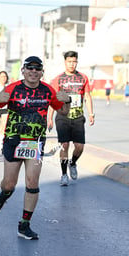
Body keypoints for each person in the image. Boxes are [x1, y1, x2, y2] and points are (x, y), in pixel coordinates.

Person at [0, 56, 71, 240]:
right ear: (23, 70)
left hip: (35, 142)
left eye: (37, 69)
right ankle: (4, 194)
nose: (33, 71)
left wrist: (68, 101)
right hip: (13, 140)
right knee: (9, 183)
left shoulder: (48, 90)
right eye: (30, 68)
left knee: (32, 183)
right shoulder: (13, 88)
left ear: (42, 72)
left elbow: (63, 112)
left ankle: (24, 225)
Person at [47, 51, 95, 186]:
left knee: (79, 146)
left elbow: (87, 96)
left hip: (78, 116)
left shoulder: (83, 78)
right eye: (69, 61)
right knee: (64, 145)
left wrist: (91, 113)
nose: (72, 64)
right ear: (65, 62)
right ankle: (63, 175)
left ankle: (72, 163)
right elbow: (53, 100)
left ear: (77, 62)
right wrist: (49, 118)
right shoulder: (58, 79)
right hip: (62, 116)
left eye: (74, 61)